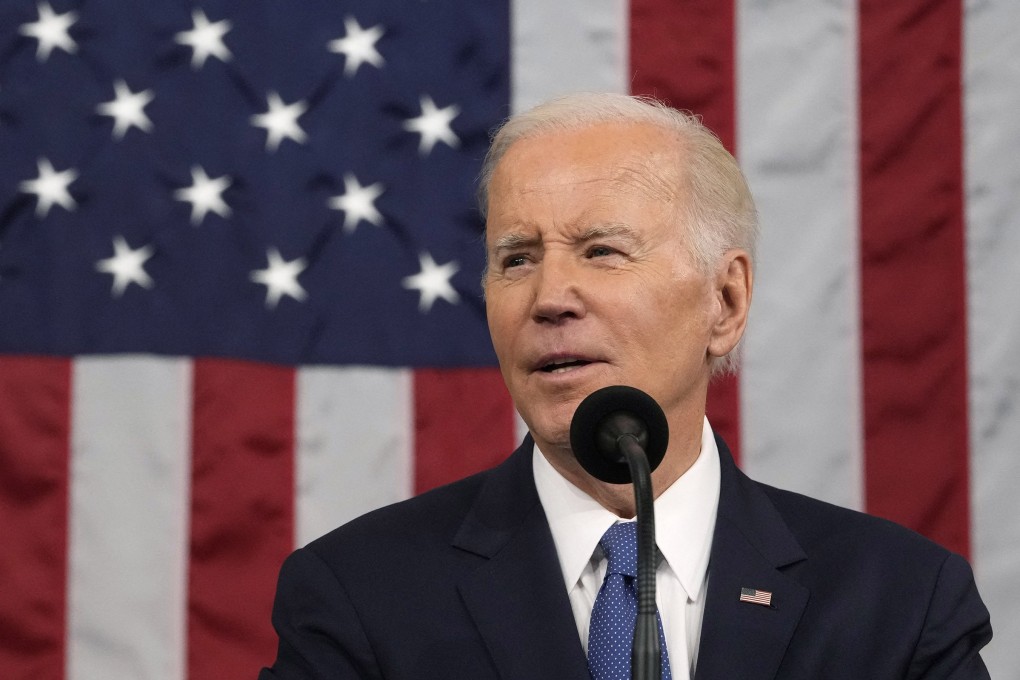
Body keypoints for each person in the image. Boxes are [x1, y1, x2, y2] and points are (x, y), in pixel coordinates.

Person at [259, 93, 992, 679]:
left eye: (602, 251)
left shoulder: (896, 604)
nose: (549, 297)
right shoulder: (361, 594)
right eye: (515, 259)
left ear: (726, 302)